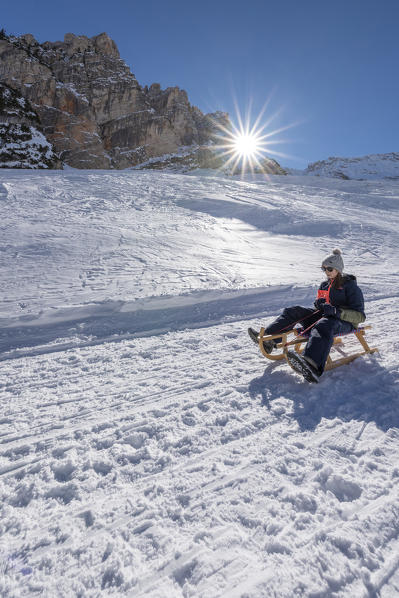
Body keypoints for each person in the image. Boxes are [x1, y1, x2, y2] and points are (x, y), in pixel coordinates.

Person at [248, 249, 366, 383]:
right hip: (324, 316)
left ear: (338, 269)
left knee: (324, 324)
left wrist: (337, 312)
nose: (326, 272)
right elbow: (320, 303)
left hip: (343, 322)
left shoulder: (351, 287)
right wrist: (318, 304)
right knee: (294, 311)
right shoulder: (325, 285)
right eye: (324, 269)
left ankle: (312, 365)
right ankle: (269, 340)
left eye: (329, 269)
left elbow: (360, 316)